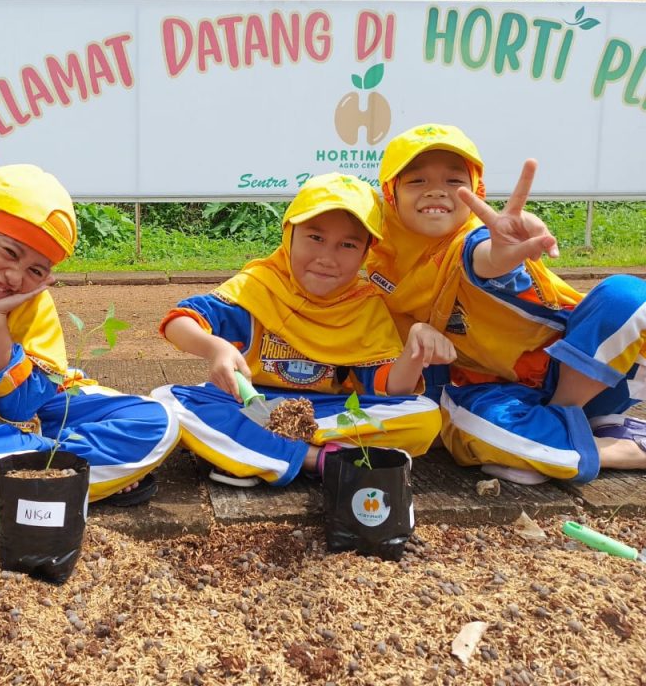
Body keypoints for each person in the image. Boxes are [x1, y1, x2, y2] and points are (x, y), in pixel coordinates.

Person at [0, 164, 178, 521]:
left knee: (158, 421)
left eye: (35, 271)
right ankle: (76, 474)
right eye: (9, 252)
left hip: (34, 423)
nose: (13, 277)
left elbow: (22, 409)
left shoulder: (34, 302)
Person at [367, 123, 646, 484]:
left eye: (455, 181)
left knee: (626, 296)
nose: (436, 191)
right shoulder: (379, 258)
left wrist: (501, 253)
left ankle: (568, 425)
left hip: (586, 373)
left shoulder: (474, 241)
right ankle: (610, 444)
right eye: (416, 181)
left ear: (476, 192)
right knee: (472, 425)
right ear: (391, 195)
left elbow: (484, 259)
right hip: (491, 390)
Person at [151, 172, 450, 487]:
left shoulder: (365, 307)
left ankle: (253, 453)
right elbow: (179, 320)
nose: (327, 258)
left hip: (323, 415)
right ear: (289, 234)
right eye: (315, 237)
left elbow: (387, 388)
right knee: (168, 401)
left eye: (347, 245)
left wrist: (415, 352)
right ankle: (320, 459)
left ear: (365, 253)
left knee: (425, 416)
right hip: (253, 406)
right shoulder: (260, 287)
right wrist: (215, 348)